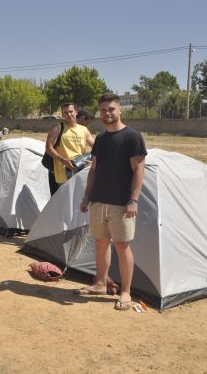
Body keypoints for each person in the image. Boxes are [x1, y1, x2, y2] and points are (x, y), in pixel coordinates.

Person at [78, 93, 147, 311]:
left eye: (111, 109)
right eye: (104, 110)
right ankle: (100, 283)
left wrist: (133, 199)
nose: (107, 113)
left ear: (120, 110)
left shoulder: (132, 137)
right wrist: (87, 196)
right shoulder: (100, 139)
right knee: (100, 242)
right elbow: (94, 169)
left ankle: (126, 292)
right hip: (99, 201)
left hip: (121, 203)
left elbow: (139, 170)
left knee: (122, 246)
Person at [45, 103, 94, 196]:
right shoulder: (57, 128)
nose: (69, 114)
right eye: (65, 113)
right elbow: (48, 148)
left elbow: (96, 146)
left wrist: (93, 160)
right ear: (62, 115)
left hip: (79, 171)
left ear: (76, 112)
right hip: (63, 176)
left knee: (77, 203)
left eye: (71, 112)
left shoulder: (84, 130)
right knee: (64, 205)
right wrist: (63, 160)